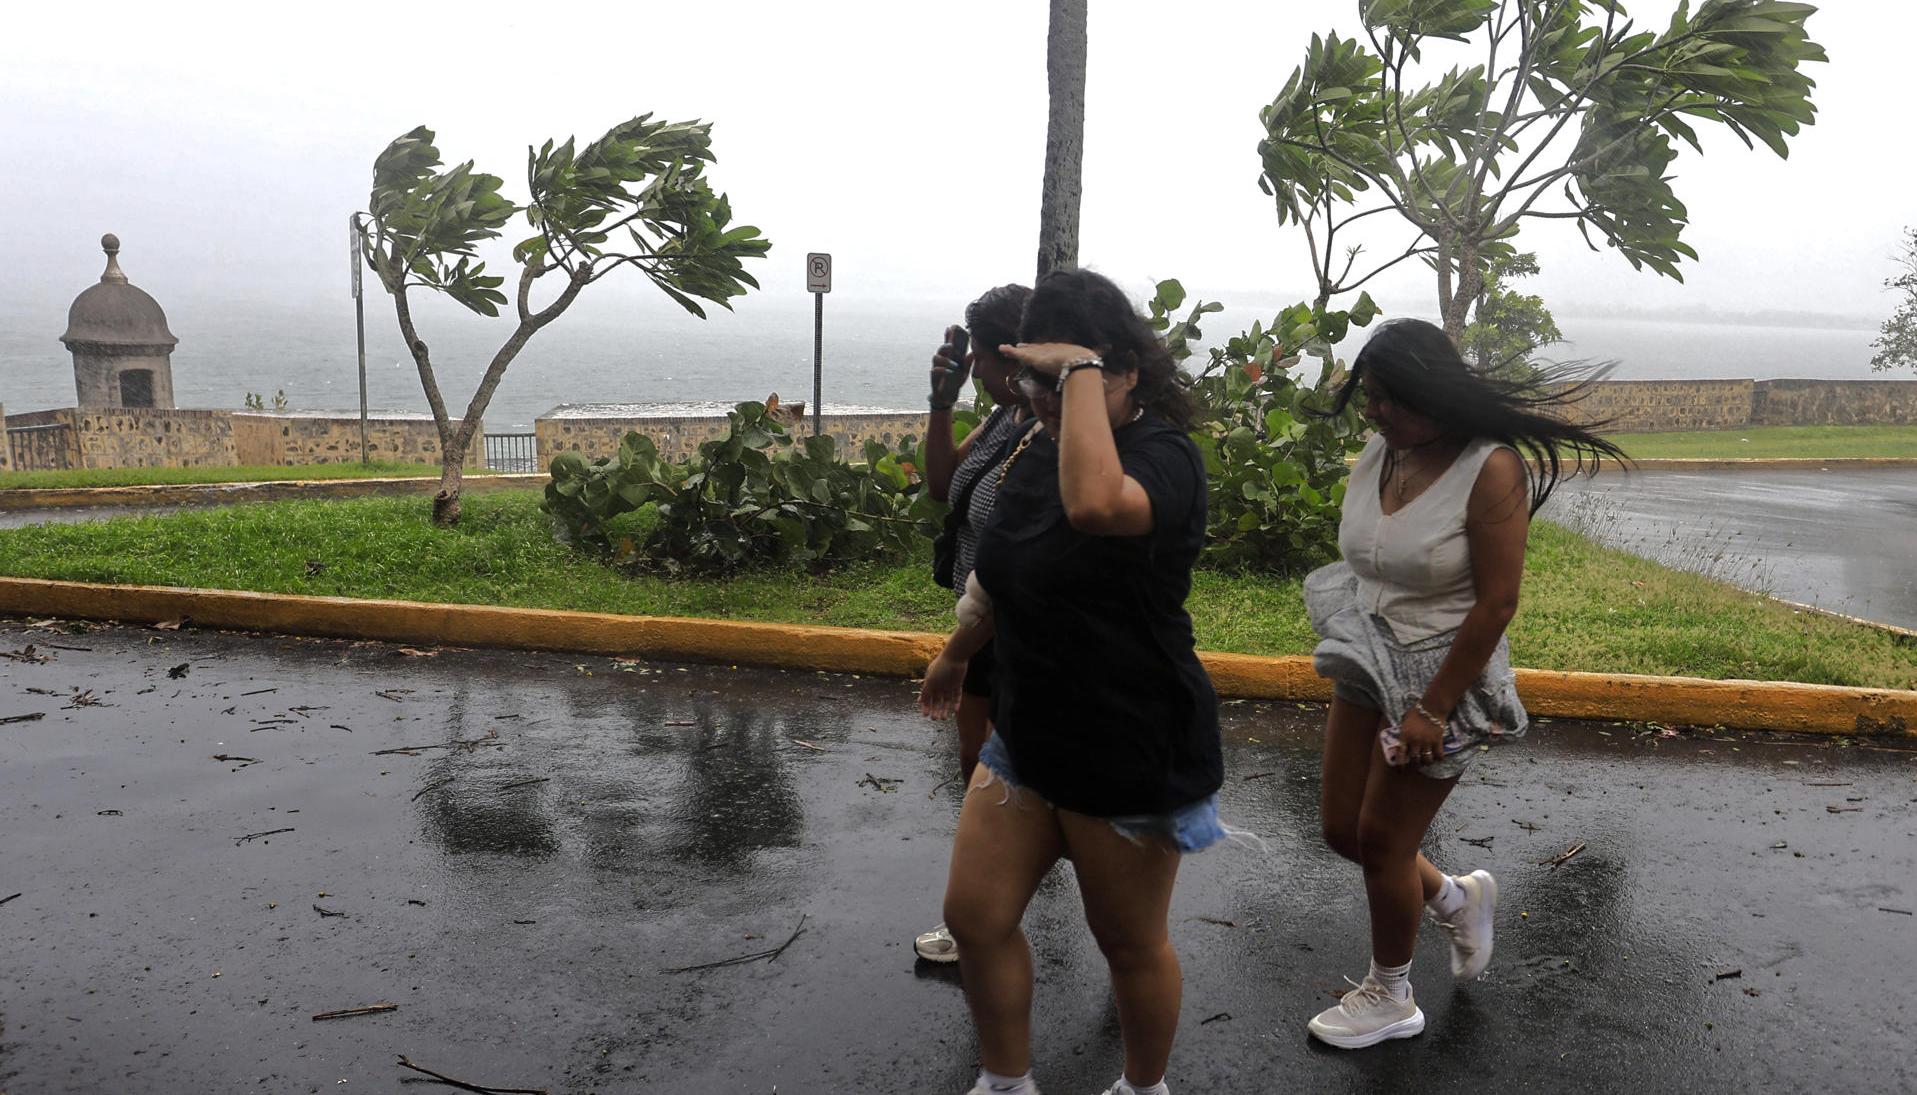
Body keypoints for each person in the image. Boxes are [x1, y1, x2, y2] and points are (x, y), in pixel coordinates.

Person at [920, 269, 1225, 1095]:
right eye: (1033, 377)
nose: (1040, 396)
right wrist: (957, 649)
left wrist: (1078, 371)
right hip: (1028, 733)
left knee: (1127, 943)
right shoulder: (1036, 447)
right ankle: (1006, 1080)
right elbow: (1002, 566)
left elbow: (1095, 506)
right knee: (974, 919)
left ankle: (1141, 1086)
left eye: (1058, 377)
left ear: (1123, 369)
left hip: (1128, 744)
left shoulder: (1165, 457)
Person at [1300, 318, 1624, 1049]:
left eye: (1389, 398)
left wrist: (1430, 707)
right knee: (1338, 829)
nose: (1375, 412)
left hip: (1444, 678)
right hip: (1368, 661)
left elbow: (1496, 601)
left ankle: (1389, 994)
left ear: (1433, 393)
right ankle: (1455, 895)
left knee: (1383, 840)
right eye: (1369, 396)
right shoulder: (1381, 453)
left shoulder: (1490, 468)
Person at [913, 283, 1036, 965]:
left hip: (1008, 629)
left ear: (1011, 357)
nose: (976, 370)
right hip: (982, 619)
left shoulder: (1042, 432)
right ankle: (984, 911)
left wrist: (957, 651)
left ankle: (983, 915)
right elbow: (940, 485)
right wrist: (941, 404)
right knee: (980, 764)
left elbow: (1022, 562)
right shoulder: (1000, 420)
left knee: (1008, 773)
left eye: (980, 358)